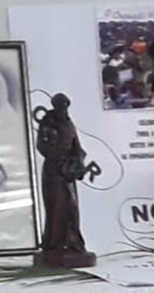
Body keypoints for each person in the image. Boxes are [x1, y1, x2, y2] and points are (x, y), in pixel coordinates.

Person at [36, 94, 90, 259]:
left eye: (65, 105)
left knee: (71, 207)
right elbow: (42, 145)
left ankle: (72, 241)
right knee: (56, 207)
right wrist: (57, 154)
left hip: (67, 171)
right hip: (53, 171)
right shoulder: (48, 122)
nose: (63, 109)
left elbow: (76, 146)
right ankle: (55, 243)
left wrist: (77, 162)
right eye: (60, 105)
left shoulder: (68, 122)